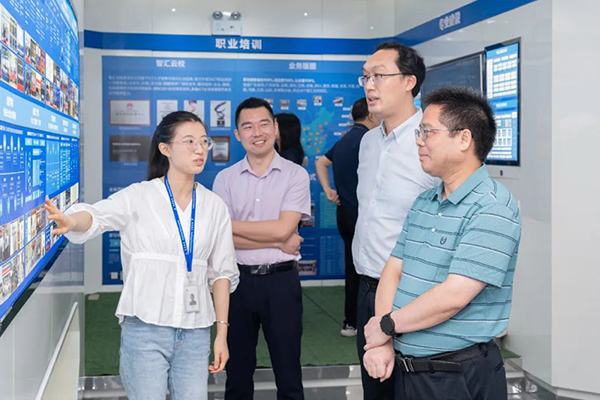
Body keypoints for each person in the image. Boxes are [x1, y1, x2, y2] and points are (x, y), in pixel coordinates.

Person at [45, 111, 239, 400]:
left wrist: (221, 334)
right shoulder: (139, 196)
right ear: (165, 148)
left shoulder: (214, 206)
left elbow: (222, 273)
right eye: (189, 141)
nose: (200, 149)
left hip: (195, 331)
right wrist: (72, 221)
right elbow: (97, 216)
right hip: (145, 328)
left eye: (203, 141)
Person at [363, 87, 522, 400]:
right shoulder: (424, 201)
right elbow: (393, 271)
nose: (419, 141)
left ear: (463, 139)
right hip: (409, 372)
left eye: (428, 131)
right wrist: (384, 339)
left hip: (458, 376)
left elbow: (454, 296)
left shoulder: (493, 207)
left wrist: (386, 326)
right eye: (419, 132)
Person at [353, 40, 439, 400]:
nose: (369, 85)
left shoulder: (433, 141)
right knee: (376, 392)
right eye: (365, 77)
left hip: (414, 294)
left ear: (409, 81)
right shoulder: (368, 143)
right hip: (367, 290)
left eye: (379, 76)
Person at [213, 98, 310, 400]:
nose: (257, 132)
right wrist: (278, 240)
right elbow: (219, 237)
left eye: (264, 124)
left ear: (276, 127)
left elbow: (284, 228)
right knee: (237, 375)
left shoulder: (295, 175)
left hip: (281, 283)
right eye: (248, 126)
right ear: (237, 134)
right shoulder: (224, 179)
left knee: (288, 372)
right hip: (236, 284)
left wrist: (231, 226)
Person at [315, 97, 380, 337]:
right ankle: (368, 322)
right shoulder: (370, 140)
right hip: (363, 217)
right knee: (369, 270)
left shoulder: (343, 140)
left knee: (353, 267)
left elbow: (321, 163)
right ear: (371, 115)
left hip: (344, 214)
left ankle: (350, 322)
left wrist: (328, 191)